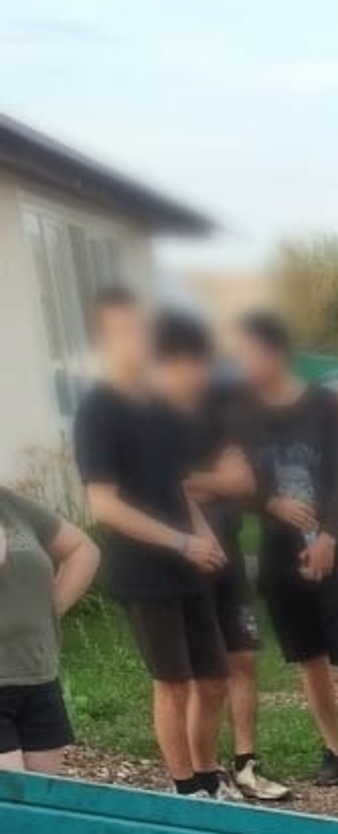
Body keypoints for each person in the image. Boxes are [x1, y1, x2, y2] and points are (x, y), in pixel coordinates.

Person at [72, 286, 234, 796]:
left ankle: (209, 780)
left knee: (215, 679)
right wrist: (181, 543)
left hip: (188, 565)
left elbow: (176, 485)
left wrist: (202, 533)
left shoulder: (160, 408)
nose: (136, 340)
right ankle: (185, 790)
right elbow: (103, 505)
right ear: (102, 339)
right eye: (122, 331)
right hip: (142, 570)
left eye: (141, 329)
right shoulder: (98, 410)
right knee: (174, 684)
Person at [148, 309, 290, 803]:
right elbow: (157, 487)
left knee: (240, 658)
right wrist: (209, 482)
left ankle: (243, 764)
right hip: (183, 561)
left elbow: (243, 482)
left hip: (226, 549)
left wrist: (195, 483)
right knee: (190, 675)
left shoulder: (216, 415)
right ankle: (195, 777)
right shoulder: (150, 420)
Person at [233, 312, 338, 786]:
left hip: (335, 545)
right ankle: (332, 749)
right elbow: (236, 483)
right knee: (308, 655)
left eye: (247, 354)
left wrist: (331, 537)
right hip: (280, 552)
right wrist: (270, 503)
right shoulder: (242, 415)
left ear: (275, 352)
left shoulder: (324, 407)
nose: (241, 364)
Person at [0, 485, 99, 774]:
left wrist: (49, 611)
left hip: (37, 675)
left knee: (40, 795)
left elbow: (82, 550)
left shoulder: (11, 505)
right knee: (11, 793)